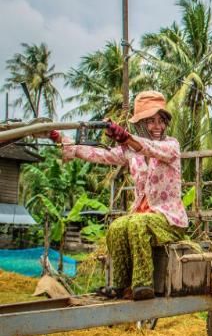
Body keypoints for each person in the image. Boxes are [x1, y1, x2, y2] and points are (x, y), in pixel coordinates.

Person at [49, 91, 188, 301]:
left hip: (169, 219)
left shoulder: (171, 146)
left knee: (136, 224)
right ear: (140, 124)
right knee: (116, 226)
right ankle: (121, 285)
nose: (157, 126)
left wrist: (126, 138)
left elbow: (149, 148)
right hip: (142, 215)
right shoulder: (131, 152)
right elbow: (101, 154)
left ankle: (143, 284)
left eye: (161, 121)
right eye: (150, 121)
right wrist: (64, 141)